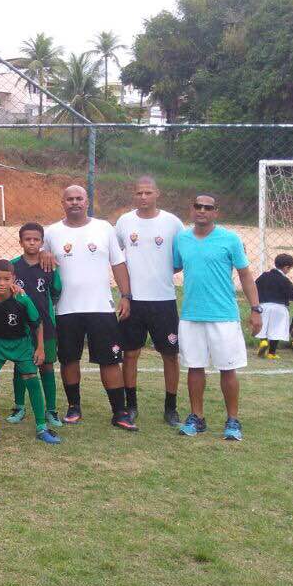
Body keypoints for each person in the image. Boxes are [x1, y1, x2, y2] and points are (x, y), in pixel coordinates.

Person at [41, 185, 136, 431]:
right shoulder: (51, 232)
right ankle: (74, 407)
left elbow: (118, 264)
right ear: (62, 202)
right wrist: (44, 254)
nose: (75, 202)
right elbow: (39, 259)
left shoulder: (104, 228)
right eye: (70, 199)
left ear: (87, 201)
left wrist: (126, 296)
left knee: (110, 361)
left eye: (79, 198)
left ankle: (119, 412)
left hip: (101, 308)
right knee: (69, 359)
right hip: (65, 309)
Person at [173, 194, 261, 441]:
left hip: (223, 315)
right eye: (197, 206)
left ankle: (233, 420)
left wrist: (255, 309)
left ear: (215, 212)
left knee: (228, 368)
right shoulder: (181, 239)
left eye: (207, 207)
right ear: (192, 209)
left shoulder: (230, 239)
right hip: (191, 314)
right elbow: (173, 266)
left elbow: (245, 275)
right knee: (194, 367)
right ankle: (196, 418)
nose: (202, 210)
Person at [113, 176, 186, 426]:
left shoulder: (172, 223)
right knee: (130, 353)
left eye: (148, 193)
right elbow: (115, 254)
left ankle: (171, 408)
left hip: (163, 300)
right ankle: (131, 406)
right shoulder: (124, 222)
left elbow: (181, 258)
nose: (143, 197)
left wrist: (161, 273)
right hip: (133, 300)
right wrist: (126, 293)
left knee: (169, 354)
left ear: (157, 193)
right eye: (139, 193)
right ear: (134, 195)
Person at [0, 261, 61, 445]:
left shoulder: (22, 299)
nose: (2, 283)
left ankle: (41, 427)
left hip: (20, 344)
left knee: (32, 380)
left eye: (6, 279)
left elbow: (38, 324)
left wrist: (40, 348)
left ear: (14, 279)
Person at [9, 223, 63, 428]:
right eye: (27, 239)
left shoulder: (48, 266)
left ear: (42, 241)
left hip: (45, 324)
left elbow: (56, 291)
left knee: (47, 365)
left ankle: (51, 410)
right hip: (19, 326)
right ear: (20, 241)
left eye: (36, 239)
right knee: (20, 364)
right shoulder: (14, 266)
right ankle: (19, 406)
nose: (32, 243)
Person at [255, 254, 293, 360]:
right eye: (290, 269)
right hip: (279, 308)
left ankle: (263, 341)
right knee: (276, 329)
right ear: (286, 267)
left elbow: (254, 287)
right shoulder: (284, 280)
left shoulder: (264, 276)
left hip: (264, 306)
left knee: (263, 326)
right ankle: (272, 353)